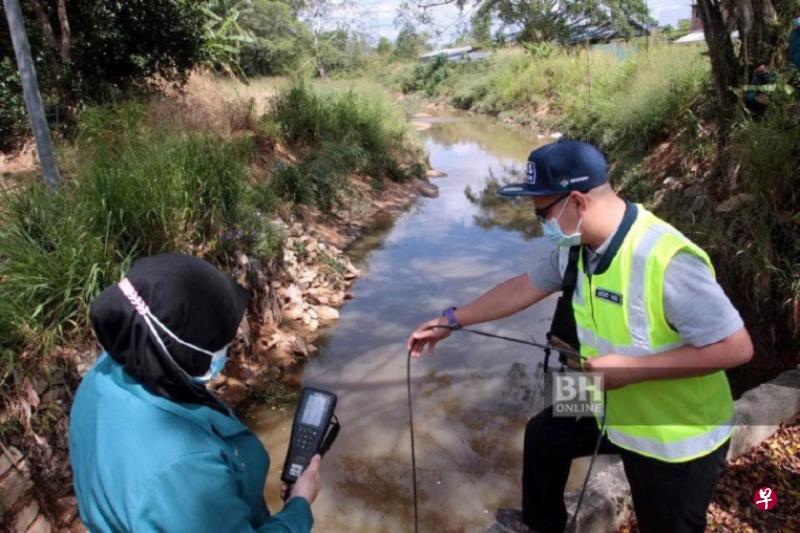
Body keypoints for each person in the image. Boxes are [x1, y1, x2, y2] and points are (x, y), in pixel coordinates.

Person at [406, 140, 753, 533]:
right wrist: (451, 320)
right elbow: (523, 286)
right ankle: (542, 524)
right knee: (544, 434)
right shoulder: (577, 248)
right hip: (608, 397)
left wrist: (633, 370)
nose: (541, 225)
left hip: (675, 433)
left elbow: (737, 347)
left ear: (576, 201)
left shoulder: (664, 259)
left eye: (542, 213)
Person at [69, 253, 322, 532]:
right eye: (223, 340)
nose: (229, 346)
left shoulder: (104, 373)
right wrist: (299, 504)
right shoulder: (184, 466)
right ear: (186, 351)